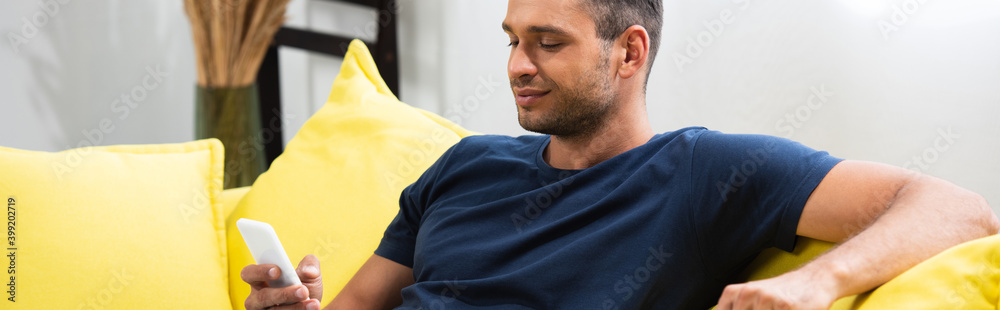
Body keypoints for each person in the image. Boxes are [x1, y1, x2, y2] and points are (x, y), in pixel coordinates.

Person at [241, 0, 1000, 309]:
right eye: (512, 40)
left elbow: (959, 210)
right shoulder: (467, 165)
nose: (517, 65)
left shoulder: (705, 172)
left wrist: (819, 281)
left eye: (548, 43)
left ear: (629, 53)